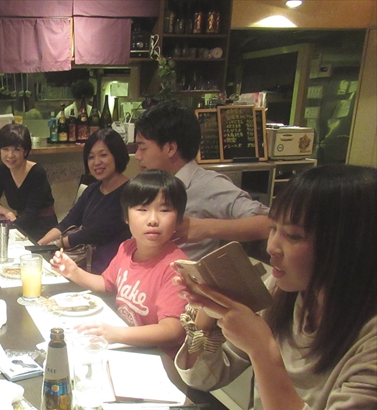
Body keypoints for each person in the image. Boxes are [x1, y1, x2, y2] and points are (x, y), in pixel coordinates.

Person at [173, 165, 377, 410]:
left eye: (293, 236)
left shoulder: (369, 340)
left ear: (350, 245)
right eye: (273, 228)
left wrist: (263, 350)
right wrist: (208, 311)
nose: (271, 247)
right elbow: (203, 379)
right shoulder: (282, 292)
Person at [50, 170, 188, 358]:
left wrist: (116, 334)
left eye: (164, 210)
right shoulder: (127, 248)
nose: (153, 220)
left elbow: (172, 331)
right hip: (126, 347)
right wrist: (73, 272)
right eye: (142, 209)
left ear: (178, 219)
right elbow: (107, 284)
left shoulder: (177, 268)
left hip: (156, 357)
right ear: (126, 216)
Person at [134, 101, 270, 260]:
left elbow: (269, 223)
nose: (137, 155)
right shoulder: (152, 184)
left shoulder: (208, 185)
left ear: (170, 148)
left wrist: (206, 228)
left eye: (143, 148)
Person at [38, 129, 131, 274]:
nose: (96, 162)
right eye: (91, 157)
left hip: (108, 267)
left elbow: (96, 232)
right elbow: (69, 221)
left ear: (117, 155)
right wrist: (41, 243)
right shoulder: (92, 189)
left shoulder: (129, 192)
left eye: (103, 155)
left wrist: (57, 243)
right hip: (83, 261)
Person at [0, 123, 57, 242]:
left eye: (16, 149)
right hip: (21, 226)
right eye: (5, 149)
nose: (10, 155)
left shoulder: (37, 172)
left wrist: (8, 229)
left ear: (25, 151)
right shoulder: (3, 170)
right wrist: (7, 212)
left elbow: (31, 214)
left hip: (42, 231)